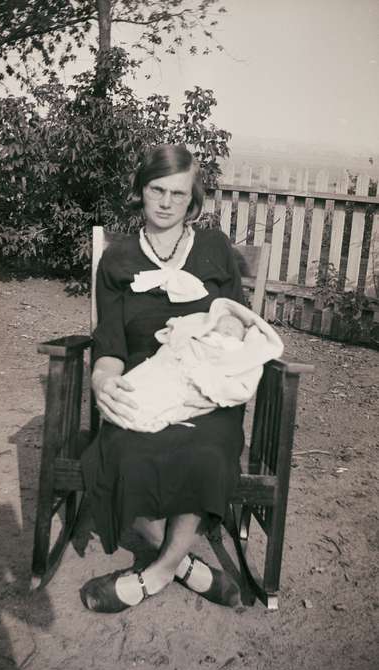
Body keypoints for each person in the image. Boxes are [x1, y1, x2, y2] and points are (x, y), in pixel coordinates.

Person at [80, 144, 249, 613]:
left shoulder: (215, 248)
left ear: (191, 198)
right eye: (157, 189)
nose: (167, 202)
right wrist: (102, 380)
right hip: (145, 381)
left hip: (205, 387)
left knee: (206, 451)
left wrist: (216, 338)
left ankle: (154, 573)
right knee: (123, 450)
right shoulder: (117, 259)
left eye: (178, 192)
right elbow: (110, 343)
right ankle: (187, 566)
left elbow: (239, 323)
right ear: (141, 191)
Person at [103, 299, 283, 433]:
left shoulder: (239, 348)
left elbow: (245, 370)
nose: (229, 329)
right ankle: (135, 410)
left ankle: (150, 416)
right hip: (172, 366)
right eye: (225, 324)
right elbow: (184, 338)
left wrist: (213, 381)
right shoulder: (205, 336)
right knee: (143, 391)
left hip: (206, 392)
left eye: (235, 328)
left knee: (204, 453)